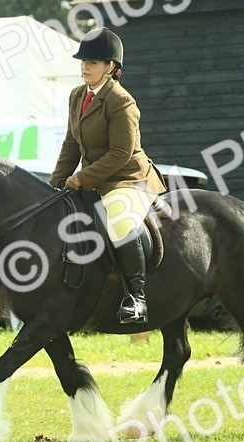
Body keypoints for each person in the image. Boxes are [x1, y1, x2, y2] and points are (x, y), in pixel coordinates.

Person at [50, 27, 167, 324]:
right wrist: (54, 184)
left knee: (117, 217)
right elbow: (71, 144)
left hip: (128, 178)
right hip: (95, 178)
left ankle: (137, 299)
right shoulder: (78, 96)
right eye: (83, 62)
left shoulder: (121, 101)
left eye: (92, 62)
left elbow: (121, 153)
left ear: (111, 67)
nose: (85, 67)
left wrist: (82, 178)